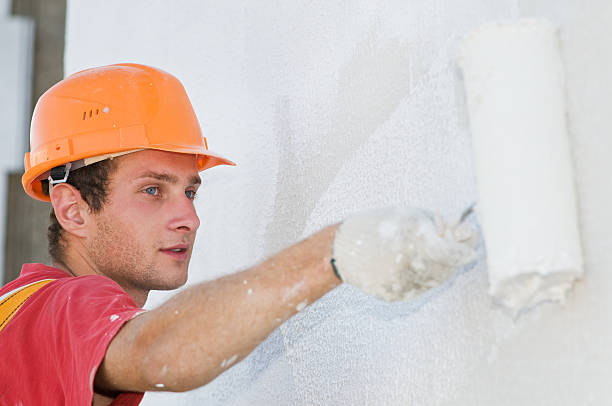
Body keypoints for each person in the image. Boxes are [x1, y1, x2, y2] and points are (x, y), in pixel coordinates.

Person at [0, 63, 477, 405]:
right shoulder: (56, 307)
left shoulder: (20, 316)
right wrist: (336, 251)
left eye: (191, 191)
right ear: (73, 210)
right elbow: (160, 351)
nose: (188, 217)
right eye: (152, 190)